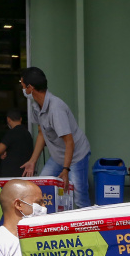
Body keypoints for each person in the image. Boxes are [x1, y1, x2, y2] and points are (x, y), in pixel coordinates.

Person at [19, 67, 91, 208]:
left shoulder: (55, 108)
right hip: (58, 156)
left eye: (22, 84)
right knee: (41, 187)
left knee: (79, 196)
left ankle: (87, 227)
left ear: (30, 88)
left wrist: (65, 170)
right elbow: (42, 133)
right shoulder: (36, 105)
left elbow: (69, 142)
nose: (22, 88)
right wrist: (33, 161)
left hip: (76, 155)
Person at [0, 108, 34, 178]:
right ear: (20, 119)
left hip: (12, 173)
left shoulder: (11, 133)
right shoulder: (27, 133)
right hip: (26, 172)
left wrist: (2, 153)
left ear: (8, 119)